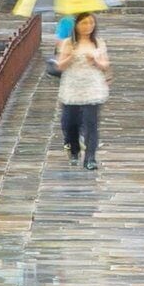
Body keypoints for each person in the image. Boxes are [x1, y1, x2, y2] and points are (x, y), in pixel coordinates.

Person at [53, 13, 109, 169]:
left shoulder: (98, 43)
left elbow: (105, 64)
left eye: (91, 23)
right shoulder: (68, 43)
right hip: (72, 87)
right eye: (84, 23)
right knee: (71, 122)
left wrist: (96, 61)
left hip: (92, 87)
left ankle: (90, 158)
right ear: (77, 25)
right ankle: (74, 150)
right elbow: (60, 66)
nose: (88, 26)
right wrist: (70, 56)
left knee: (91, 123)